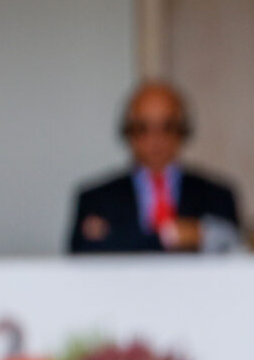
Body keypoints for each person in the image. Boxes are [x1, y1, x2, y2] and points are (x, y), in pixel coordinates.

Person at [69, 80, 242, 254]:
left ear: (183, 131)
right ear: (128, 133)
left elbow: (235, 254)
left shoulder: (218, 195)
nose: (156, 138)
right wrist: (172, 235)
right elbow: (80, 260)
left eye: (167, 127)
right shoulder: (96, 200)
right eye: (143, 128)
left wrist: (116, 236)